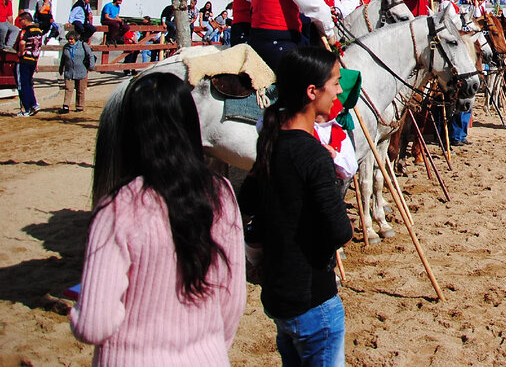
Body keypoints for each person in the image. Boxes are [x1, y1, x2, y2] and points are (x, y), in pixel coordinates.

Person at [71, 72, 245, 363]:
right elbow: (233, 301)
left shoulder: (117, 209)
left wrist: (79, 314)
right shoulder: (223, 194)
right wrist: (209, 346)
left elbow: (93, 324)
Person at [238, 47, 353, 365]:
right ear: (312, 91)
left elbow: (247, 200)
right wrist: (329, 179)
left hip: (278, 296)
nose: (339, 90)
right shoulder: (313, 155)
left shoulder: (270, 141)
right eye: (335, 82)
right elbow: (340, 231)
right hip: (313, 299)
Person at [58, 28, 95, 114]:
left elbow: (90, 55)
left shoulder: (83, 45)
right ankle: (66, 106)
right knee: (68, 88)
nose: (70, 41)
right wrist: (61, 68)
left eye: (71, 39)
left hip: (81, 71)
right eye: (68, 39)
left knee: (80, 90)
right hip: (69, 71)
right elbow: (63, 59)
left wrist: (91, 66)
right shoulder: (66, 47)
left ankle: (80, 106)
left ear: (76, 39)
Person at [14, 12, 43, 116]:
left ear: (25, 20)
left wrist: (21, 53)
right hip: (33, 59)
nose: (20, 23)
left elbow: (22, 43)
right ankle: (34, 104)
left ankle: (26, 109)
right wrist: (36, 62)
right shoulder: (39, 31)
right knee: (29, 83)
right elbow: (38, 47)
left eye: (20, 20)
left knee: (22, 84)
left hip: (24, 59)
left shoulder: (26, 30)